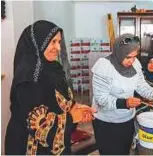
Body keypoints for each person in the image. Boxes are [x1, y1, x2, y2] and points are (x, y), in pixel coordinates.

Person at [5, 20, 96, 155]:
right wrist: (72, 118)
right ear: (38, 43)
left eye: (59, 42)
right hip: (30, 147)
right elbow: (39, 126)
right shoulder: (29, 77)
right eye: (53, 42)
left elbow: (61, 100)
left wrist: (76, 109)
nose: (58, 48)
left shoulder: (54, 68)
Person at [91, 34, 153, 155]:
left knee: (124, 151)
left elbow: (141, 86)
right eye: (128, 57)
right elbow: (101, 99)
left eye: (135, 56)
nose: (132, 61)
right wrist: (124, 102)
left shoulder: (135, 64)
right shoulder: (104, 67)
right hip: (106, 123)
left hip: (126, 119)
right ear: (119, 53)